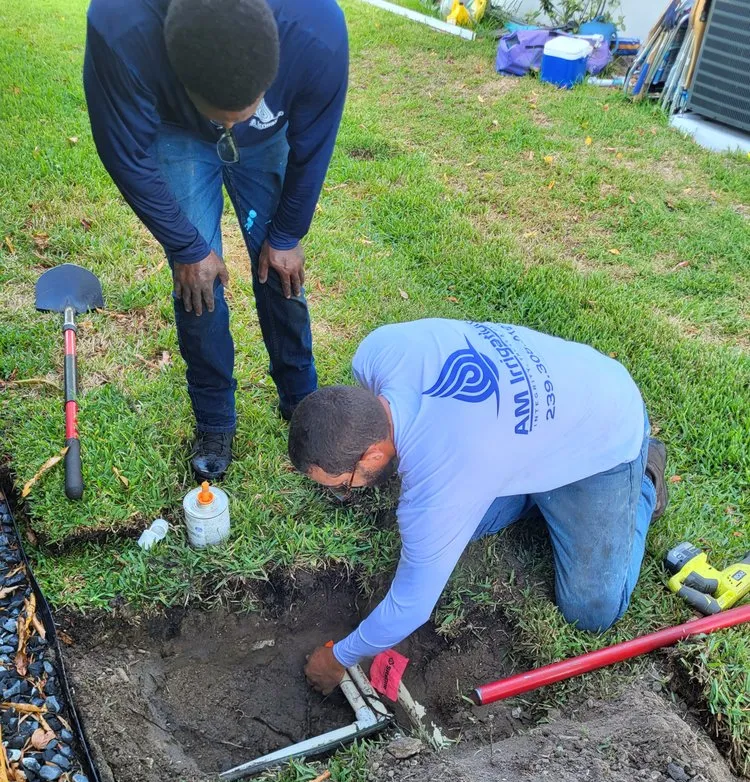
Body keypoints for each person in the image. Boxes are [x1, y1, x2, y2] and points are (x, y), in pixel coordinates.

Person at [288, 318, 668, 695]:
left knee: (592, 610)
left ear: (371, 454)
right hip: (530, 427)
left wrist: (339, 657)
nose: (348, 492)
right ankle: (533, 488)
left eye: (343, 486)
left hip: (602, 428)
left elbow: (410, 607)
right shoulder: (377, 349)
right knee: (462, 522)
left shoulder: (446, 474)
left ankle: (645, 477)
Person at [84, 0, 348, 479]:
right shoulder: (121, 24)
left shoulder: (317, 28)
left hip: (272, 132)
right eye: (222, 118)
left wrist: (287, 232)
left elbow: (316, 143)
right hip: (176, 130)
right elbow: (125, 154)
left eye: (241, 114)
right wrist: (185, 246)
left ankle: (301, 397)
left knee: (281, 268)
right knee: (197, 283)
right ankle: (214, 419)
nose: (231, 130)